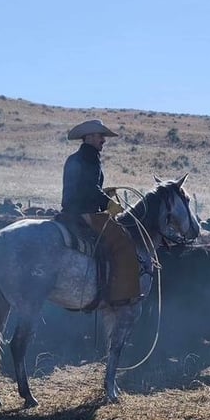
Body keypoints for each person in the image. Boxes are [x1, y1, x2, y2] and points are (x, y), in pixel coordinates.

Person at [61, 119, 141, 306]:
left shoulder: (74, 158)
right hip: (84, 214)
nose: (103, 140)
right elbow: (89, 190)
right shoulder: (90, 157)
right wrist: (108, 203)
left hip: (69, 212)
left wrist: (102, 193)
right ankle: (121, 295)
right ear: (88, 137)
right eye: (100, 136)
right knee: (124, 242)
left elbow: (83, 188)